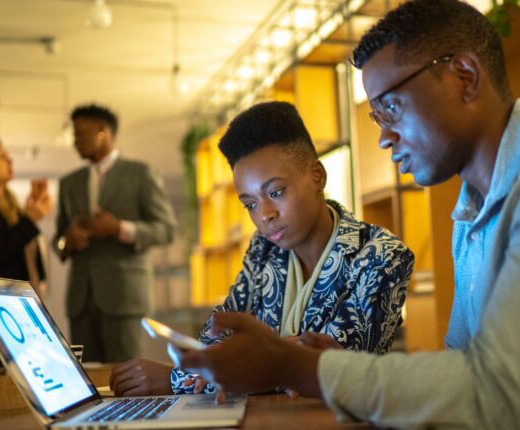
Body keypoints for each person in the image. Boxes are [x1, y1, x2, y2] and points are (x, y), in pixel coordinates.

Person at [174, 1, 520, 428]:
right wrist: (333, 366)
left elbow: (498, 389)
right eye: (375, 115)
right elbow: (461, 365)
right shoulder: (470, 211)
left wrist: (297, 366)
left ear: (464, 76)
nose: (384, 136)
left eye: (391, 106)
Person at [109, 101, 414, 397]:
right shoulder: (264, 248)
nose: (265, 215)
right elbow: (220, 328)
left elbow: (331, 367)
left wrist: (176, 379)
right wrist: (208, 365)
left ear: (316, 176)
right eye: (250, 204)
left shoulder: (381, 256)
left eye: (276, 192)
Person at [53, 104, 177, 363]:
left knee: (126, 378)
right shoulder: (68, 183)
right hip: (81, 301)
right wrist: (68, 240)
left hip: (124, 297)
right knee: (85, 379)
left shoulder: (141, 173)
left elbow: (165, 229)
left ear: (102, 131)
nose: (74, 142)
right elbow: (58, 239)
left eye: (79, 134)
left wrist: (119, 229)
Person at [0, 138, 52, 366]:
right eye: (1, 156)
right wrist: (29, 221)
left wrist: (28, 219)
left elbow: (20, 252)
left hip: (13, 308)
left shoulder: (8, 205)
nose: (10, 160)